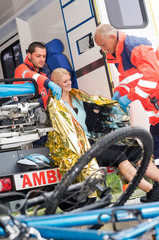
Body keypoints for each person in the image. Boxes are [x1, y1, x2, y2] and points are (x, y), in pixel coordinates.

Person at [46, 67, 159, 202]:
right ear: (57, 84)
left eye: (69, 80)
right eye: (65, 82)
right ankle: (152, 191)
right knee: (119, 156)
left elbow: (92, 123)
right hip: (81, 146)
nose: (69, 83)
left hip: (94, 139)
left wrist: (100, 112)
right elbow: (66, 134)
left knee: (134, 149)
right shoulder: (56, 105)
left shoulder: (78, 97)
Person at [94, 24, 159, 169]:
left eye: (103, 45)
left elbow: (151, 78)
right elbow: (127, 79)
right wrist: (119, 92)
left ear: (112, 37)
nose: (103, 50)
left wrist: (129, 97)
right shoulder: (120, 53)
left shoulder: (135, 47)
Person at [14, 42, 62, 109]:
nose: (42, 60)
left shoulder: (45, 70)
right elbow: (31, 75)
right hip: (28, 113)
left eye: (44, 56)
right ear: (29, 56)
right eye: (38, 56)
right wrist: (48, 82)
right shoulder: (21, 69)